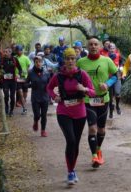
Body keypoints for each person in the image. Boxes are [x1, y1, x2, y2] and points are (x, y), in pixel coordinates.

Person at [47, 48, 95, 185]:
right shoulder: (58, 76)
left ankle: (72, 169)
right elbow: (49, 88)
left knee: (76, 143)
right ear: (64, 60)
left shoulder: (82, 75)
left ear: (76, 59)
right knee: (71, 140)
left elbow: (92, 92)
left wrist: (84, 89)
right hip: (64, 111)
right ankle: (70, 172)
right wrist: (54, 96)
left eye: (72, 58)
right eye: (67, 58)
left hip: (80, 112)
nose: (70, 61)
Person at [77, 37, 118, 168]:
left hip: (103, 99)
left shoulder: (106, 60)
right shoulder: (81, 62)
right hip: (88, 100)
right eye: (91, 45)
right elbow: (74, 77)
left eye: (96, 44)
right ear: (87, 47)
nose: (93, 46)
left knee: (101, 129)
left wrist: (107, 84)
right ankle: (94, 156)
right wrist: (80, 88)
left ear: (100, 46)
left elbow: (116, 75)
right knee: (92, 128)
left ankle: (99, 149)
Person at [26, 55, 51, 137]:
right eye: (36, 62)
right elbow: (26, 84)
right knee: (37, 115)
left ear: (42, 62)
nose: (38, 63)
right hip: (35, 98)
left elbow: (50, 84)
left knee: (44, 115)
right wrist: (30, 85)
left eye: (40, 62)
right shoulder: (30, 72)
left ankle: (43, 130)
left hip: (44, 97)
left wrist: (49, 89)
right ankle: (36, 121)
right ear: (34, 63)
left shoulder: (46, 72)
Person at [0, 47, 22, 116]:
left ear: (10, 52)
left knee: (12, 96)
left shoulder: (14, 59)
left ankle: (11, 110)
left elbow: (20, 69)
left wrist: (19, 74)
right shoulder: (2, 60)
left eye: (6, 52)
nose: (5, 53)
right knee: (6, 95)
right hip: (5, 81)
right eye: (4, 52)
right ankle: (6, 107)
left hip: (13, 81)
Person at [107, 42, 124, 117]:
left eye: (113, 48)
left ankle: (117, 106)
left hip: (117, 76)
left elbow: (122, 62)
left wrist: (121, 67)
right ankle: (111, 110)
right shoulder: (105, 57)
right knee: (110, 96)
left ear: (115, 49)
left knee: (117, 92)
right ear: (108, 49)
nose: (112, 50)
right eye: (110, 48)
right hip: (109, 77)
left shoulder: (118, 55)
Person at [15, 45, 31, 115]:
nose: (18, 52)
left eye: (20, 50)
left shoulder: (26, 58)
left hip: (25, 78)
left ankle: (23, 102)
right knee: (20, 93)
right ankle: (24, 108)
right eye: (17, 50)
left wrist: (27, 75)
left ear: (22, 51)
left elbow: (28, 66)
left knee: (25, 94)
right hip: (18, 78)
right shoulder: (14, 58)